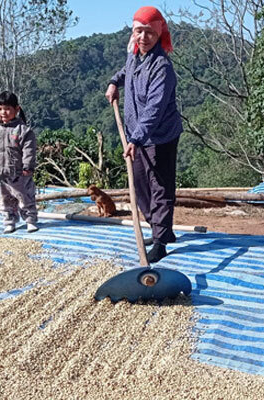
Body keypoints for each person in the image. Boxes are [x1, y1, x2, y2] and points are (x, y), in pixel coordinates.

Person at [105, 6, 182, 263]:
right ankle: (161, 228)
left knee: (159, 186)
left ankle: (161, 241)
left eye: (149, 32)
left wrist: (136, 138)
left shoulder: (162, 67)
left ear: (158, 34)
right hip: (136, 135)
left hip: (159, 135)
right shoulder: (134, 55)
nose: (143, 37)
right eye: (139, 31)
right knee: (140, 184)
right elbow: (126, 71)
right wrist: (114, 82)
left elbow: (155, 108)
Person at [0, 91, 38, 234]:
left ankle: (30, 220)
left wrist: (28, 166)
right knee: (5, 200)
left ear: (17, 109)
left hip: (20, 173)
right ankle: (9, 222)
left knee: (25, 197)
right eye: (0, 109)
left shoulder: (24, 131)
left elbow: (29, 150)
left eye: (7, 108)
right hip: (2, 174)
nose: (3, 112)